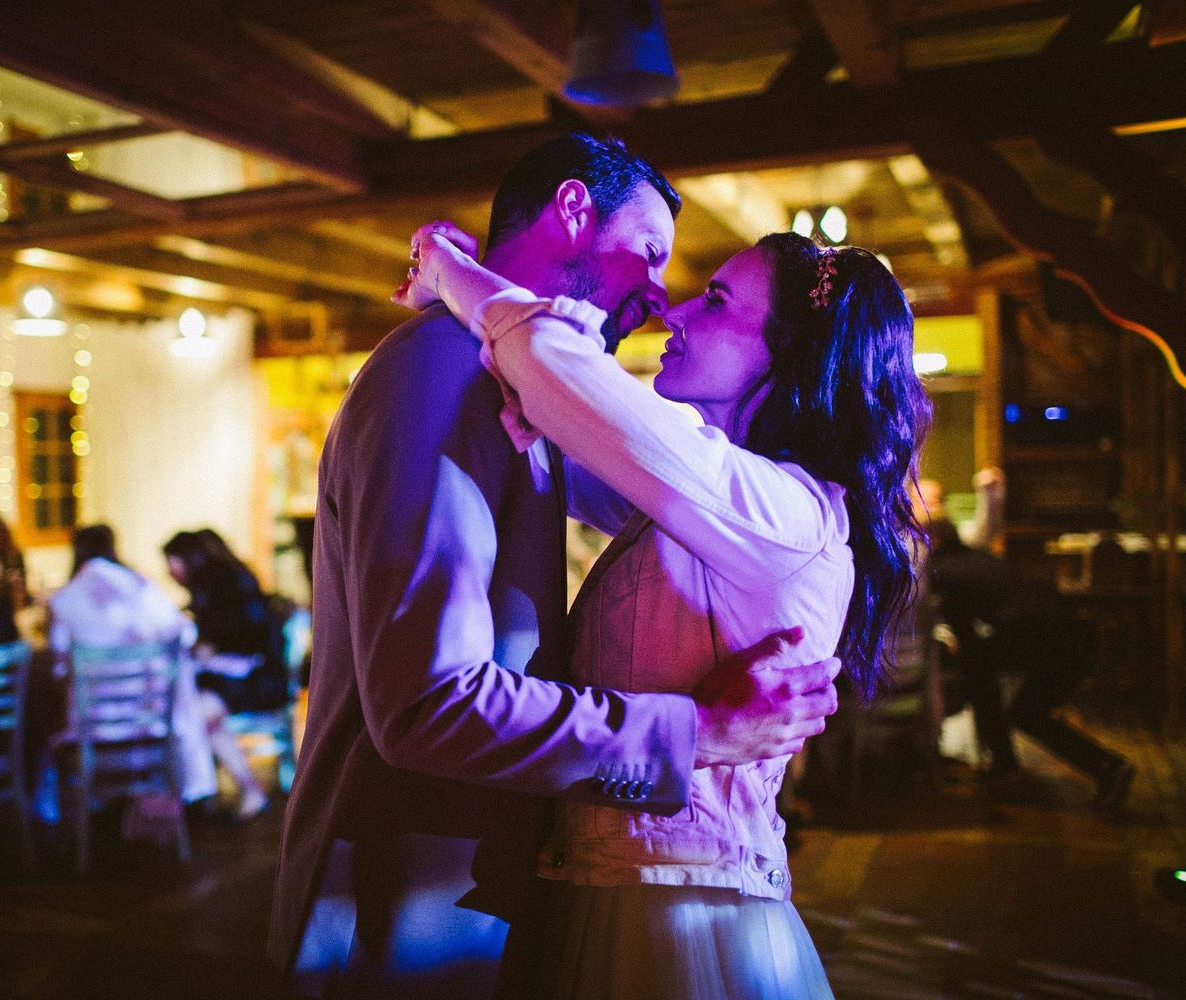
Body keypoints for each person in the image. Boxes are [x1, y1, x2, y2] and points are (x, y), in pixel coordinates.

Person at [271, 134, 842, 1000]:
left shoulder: (506, 387)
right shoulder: (440, 372)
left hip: (477, 890)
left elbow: (647, 472)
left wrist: (455, 274)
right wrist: (696, 735)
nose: (658, 300)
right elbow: (429, 702)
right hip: (405, 898)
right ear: (574, 210)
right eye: (650, 254)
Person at [397, 217, 929, 997]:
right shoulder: (718, 499)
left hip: (683, 918)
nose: (673, 313)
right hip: (623, 890)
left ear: (789, 357)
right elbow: (560, 417)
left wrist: (444, 266)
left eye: (714, 301)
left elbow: (550, 361)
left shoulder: (781, 511)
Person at [45, 525, 269, 822]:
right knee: (187, 714)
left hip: (95, 732)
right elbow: (184, 635)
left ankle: (88, 818)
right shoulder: (140, 589)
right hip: (150, 726)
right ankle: (179, 803)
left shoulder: (63, 600)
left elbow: (58, 668)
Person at [925, 517, 1135, 806]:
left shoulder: (942, 571)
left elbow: (967, 635)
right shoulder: (977, 557)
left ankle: (1008, 765)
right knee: (1021, 706)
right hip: (1070, 634)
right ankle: (1105, 768)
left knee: (988, 679)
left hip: (1053, 642)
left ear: (932, 543)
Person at [163, 529, 291, 715]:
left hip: (254, 682)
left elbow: (242, 633)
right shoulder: (232, 576)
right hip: (265, 679)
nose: (169, 572)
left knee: (185, 701)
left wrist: (209, 647)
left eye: (171, 562)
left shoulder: (219, 586)